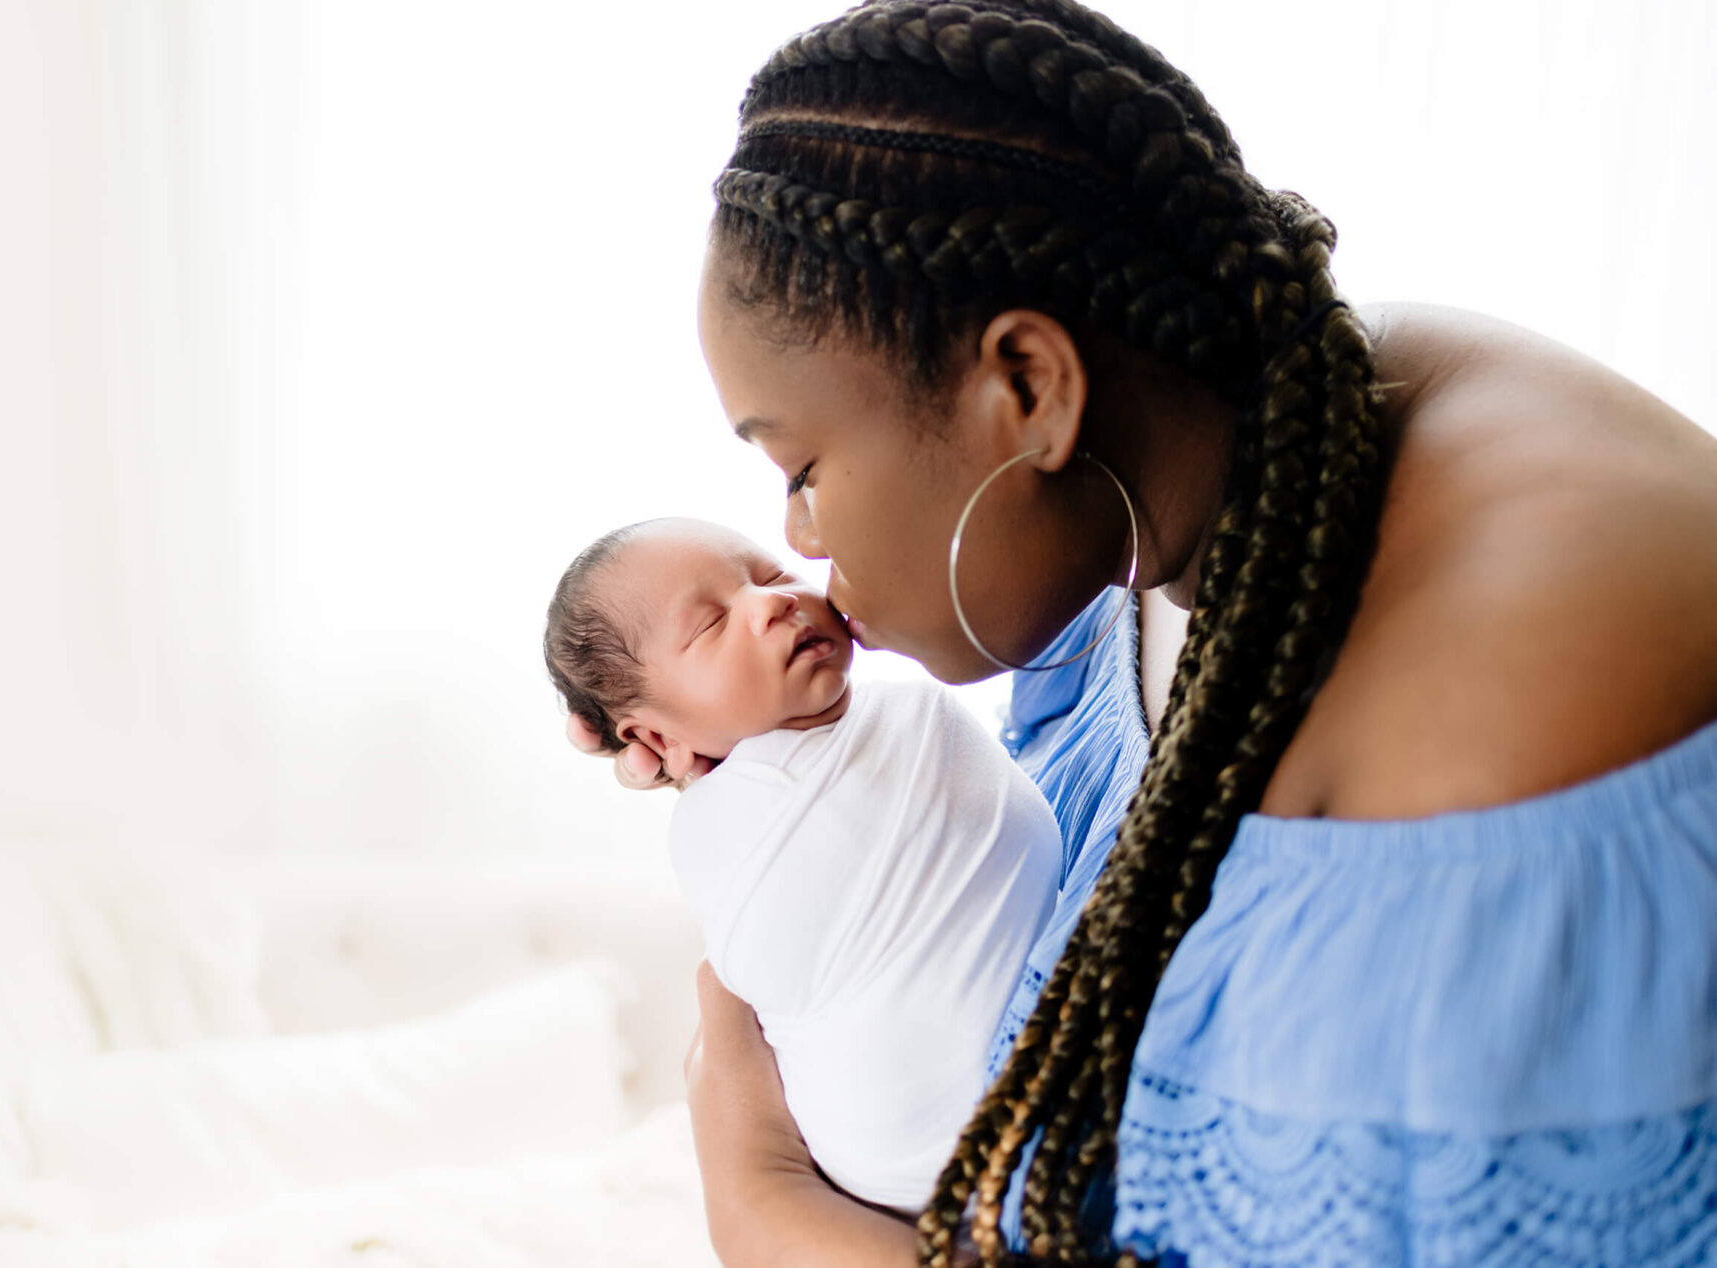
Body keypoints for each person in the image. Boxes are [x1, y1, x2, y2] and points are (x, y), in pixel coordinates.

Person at [567, 1, 1717, 1263]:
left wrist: (761, 1195)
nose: (805, 538)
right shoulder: (1175, 515)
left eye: (800, 468)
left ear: (1028, 388)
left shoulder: (1501, 760)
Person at [544, 517, 1063, 1213]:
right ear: (655, 735)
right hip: (920, 1171)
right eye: (710, 625)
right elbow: (764, 953)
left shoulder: (906, 714)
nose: (772, 602)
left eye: (770, 573)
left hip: (1033, 1106)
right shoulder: (719, 834)